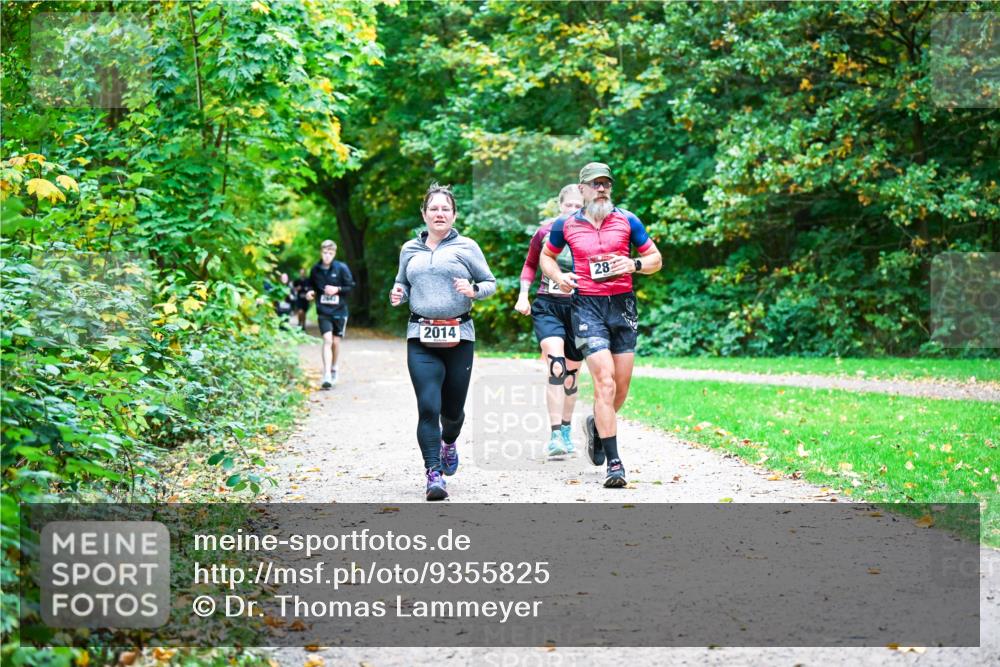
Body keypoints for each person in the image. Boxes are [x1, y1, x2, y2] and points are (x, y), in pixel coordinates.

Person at [540, 162, 662, 488]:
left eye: (606, 183)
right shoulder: (566, 225)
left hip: (622, 307)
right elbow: (545, 257)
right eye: (595, 184)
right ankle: (615, 464)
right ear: (582, 189)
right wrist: (558, 276)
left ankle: (597, 425)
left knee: (620, 390)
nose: (601, 189)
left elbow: (656, 259)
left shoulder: (628, 220)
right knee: (604, 383)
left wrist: (634, 263)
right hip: (587, 308)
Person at [390, 183, 496, 501]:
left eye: (445, 209)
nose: (439, 213)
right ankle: (433, 474)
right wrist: (399, 293)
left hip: (459, 335)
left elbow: (490, 282)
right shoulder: (410, 249)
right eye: (433, 208)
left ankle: (450, 442)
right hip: (420, 335)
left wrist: (474, 290)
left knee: (452, 412)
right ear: (424, 214)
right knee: (427, 407)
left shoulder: (467, 246)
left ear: (454, 214)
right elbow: (402, 281)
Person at [514, 184, 585, 458]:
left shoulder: (590, 236)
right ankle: (555, 434)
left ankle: (566, 430)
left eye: (579, 206)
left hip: (579, 309)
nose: (573, 210)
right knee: (556, 366)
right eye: (569, 206)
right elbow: (530, 263)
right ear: (560, 206)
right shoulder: (546, 231)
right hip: (548, 306)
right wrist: (523, 296)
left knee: (572, 373)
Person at [305, 240, 355, 389]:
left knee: (335, 342)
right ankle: (326, 374)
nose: (327, 256)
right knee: (327, 340)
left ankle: (334, 366)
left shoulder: (341, 268)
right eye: (325, 253)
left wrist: (337, 289)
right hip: (323, 311)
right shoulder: (315, 269)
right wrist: (309, 292)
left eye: (330, 253)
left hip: (339, 311)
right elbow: (310, 285)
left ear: (334, 254)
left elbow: (351, 286)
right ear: (321, 253)